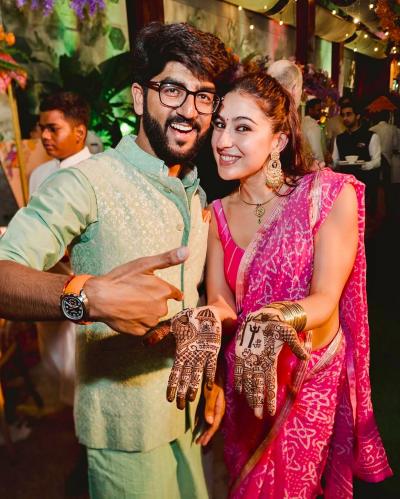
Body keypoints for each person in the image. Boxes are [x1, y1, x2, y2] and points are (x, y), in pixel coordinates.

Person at [0, 22, 235, 498]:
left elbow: (193, 304)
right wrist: (87, 297)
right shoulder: (86, 183)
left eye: (204, 96)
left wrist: (211, 378)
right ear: (139, 97)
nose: (190, 110)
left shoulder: (195, 189)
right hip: (125, 430)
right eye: (173, 90)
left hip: (186, 413)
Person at [205, 69, 392, 497]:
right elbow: (222, 302)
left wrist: (275, 317)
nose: (222, 140)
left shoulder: (325, 196)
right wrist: (204, 321)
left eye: (242, 128)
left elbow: (326, 298)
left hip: (304, 378)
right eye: (219, 124)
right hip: (246, 377)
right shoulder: (216, 214)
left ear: (279, 140)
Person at [29, 91, 91, 408]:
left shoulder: (95, 172)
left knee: (80, 361)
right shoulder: (39, 174)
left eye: (53, 128)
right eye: (42, 128)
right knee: (51, 348)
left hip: (82, 281)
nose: (45, 136)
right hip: (45, 279)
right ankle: (57, 408)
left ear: (79, 132)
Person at [333, 101, 381, 216]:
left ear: (358, 116)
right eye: (343, 115)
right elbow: (335, 161)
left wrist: (365, 164)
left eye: (348, 114)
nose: (345, 118)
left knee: (365, 217)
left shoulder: (371, 136)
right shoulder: (339, 138)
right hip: (346, 185)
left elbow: (377, 161)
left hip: (365, 183)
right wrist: (330, 164)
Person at [301, 97, 326, 162]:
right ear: (310, 110)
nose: (321, 113)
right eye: (318, 110)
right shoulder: (313, 126)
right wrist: (321, 164)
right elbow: (316, 152)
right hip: (313, 164)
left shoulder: (302, 122)